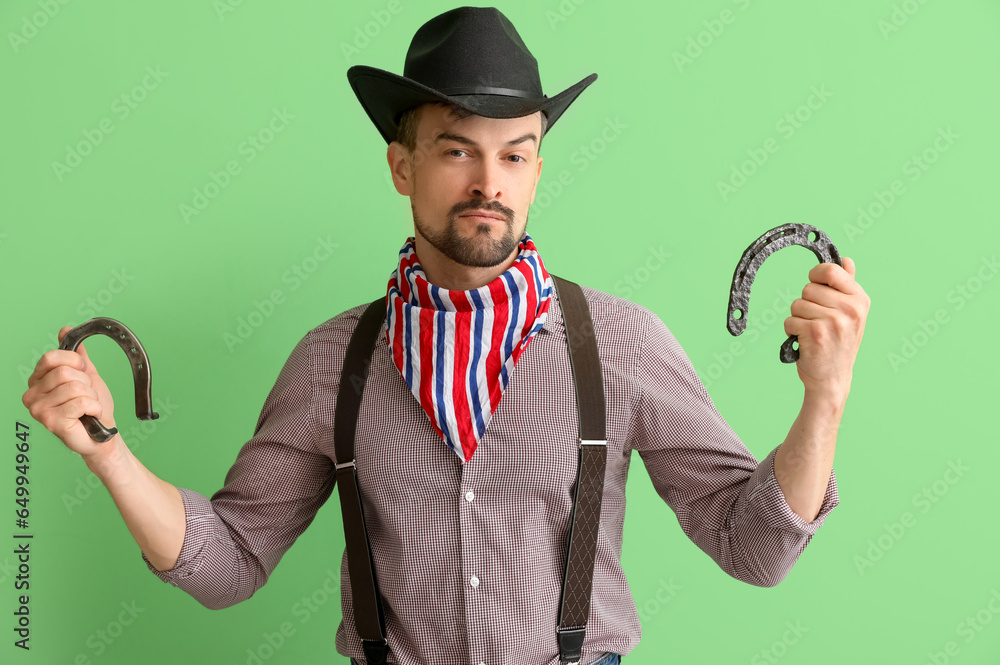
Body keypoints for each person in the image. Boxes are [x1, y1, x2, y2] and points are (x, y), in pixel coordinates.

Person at [21, 7, 870, 665]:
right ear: (403, 166)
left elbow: (753, 547)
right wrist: (108, 454)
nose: (488, 183)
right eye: (457, 151)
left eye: (513, 154)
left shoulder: (620, 344)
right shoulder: (334, 361)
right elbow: (231, 561)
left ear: (537, 168)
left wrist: (824, 402)